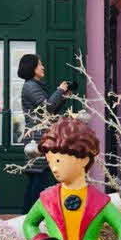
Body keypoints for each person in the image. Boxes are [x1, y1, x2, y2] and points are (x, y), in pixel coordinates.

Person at [23, 116, 121, 240]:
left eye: (58, 161)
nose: (54, 168)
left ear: (83, 160)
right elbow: (29, 224)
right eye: (50, 162)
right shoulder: (47, 198)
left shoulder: (99, 201)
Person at [18, 53, 69, 213]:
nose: (43, 67)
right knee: (38, 179)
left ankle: (28, 215)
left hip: (40, 137)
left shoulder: (34, 86)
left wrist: (63, 96)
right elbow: (47, 108)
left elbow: (49, 112)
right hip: (37, 139)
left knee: (38, 179)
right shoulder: (30, 86)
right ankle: (29, 215)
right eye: (40, 64)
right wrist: (59, 91)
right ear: (32, 68)